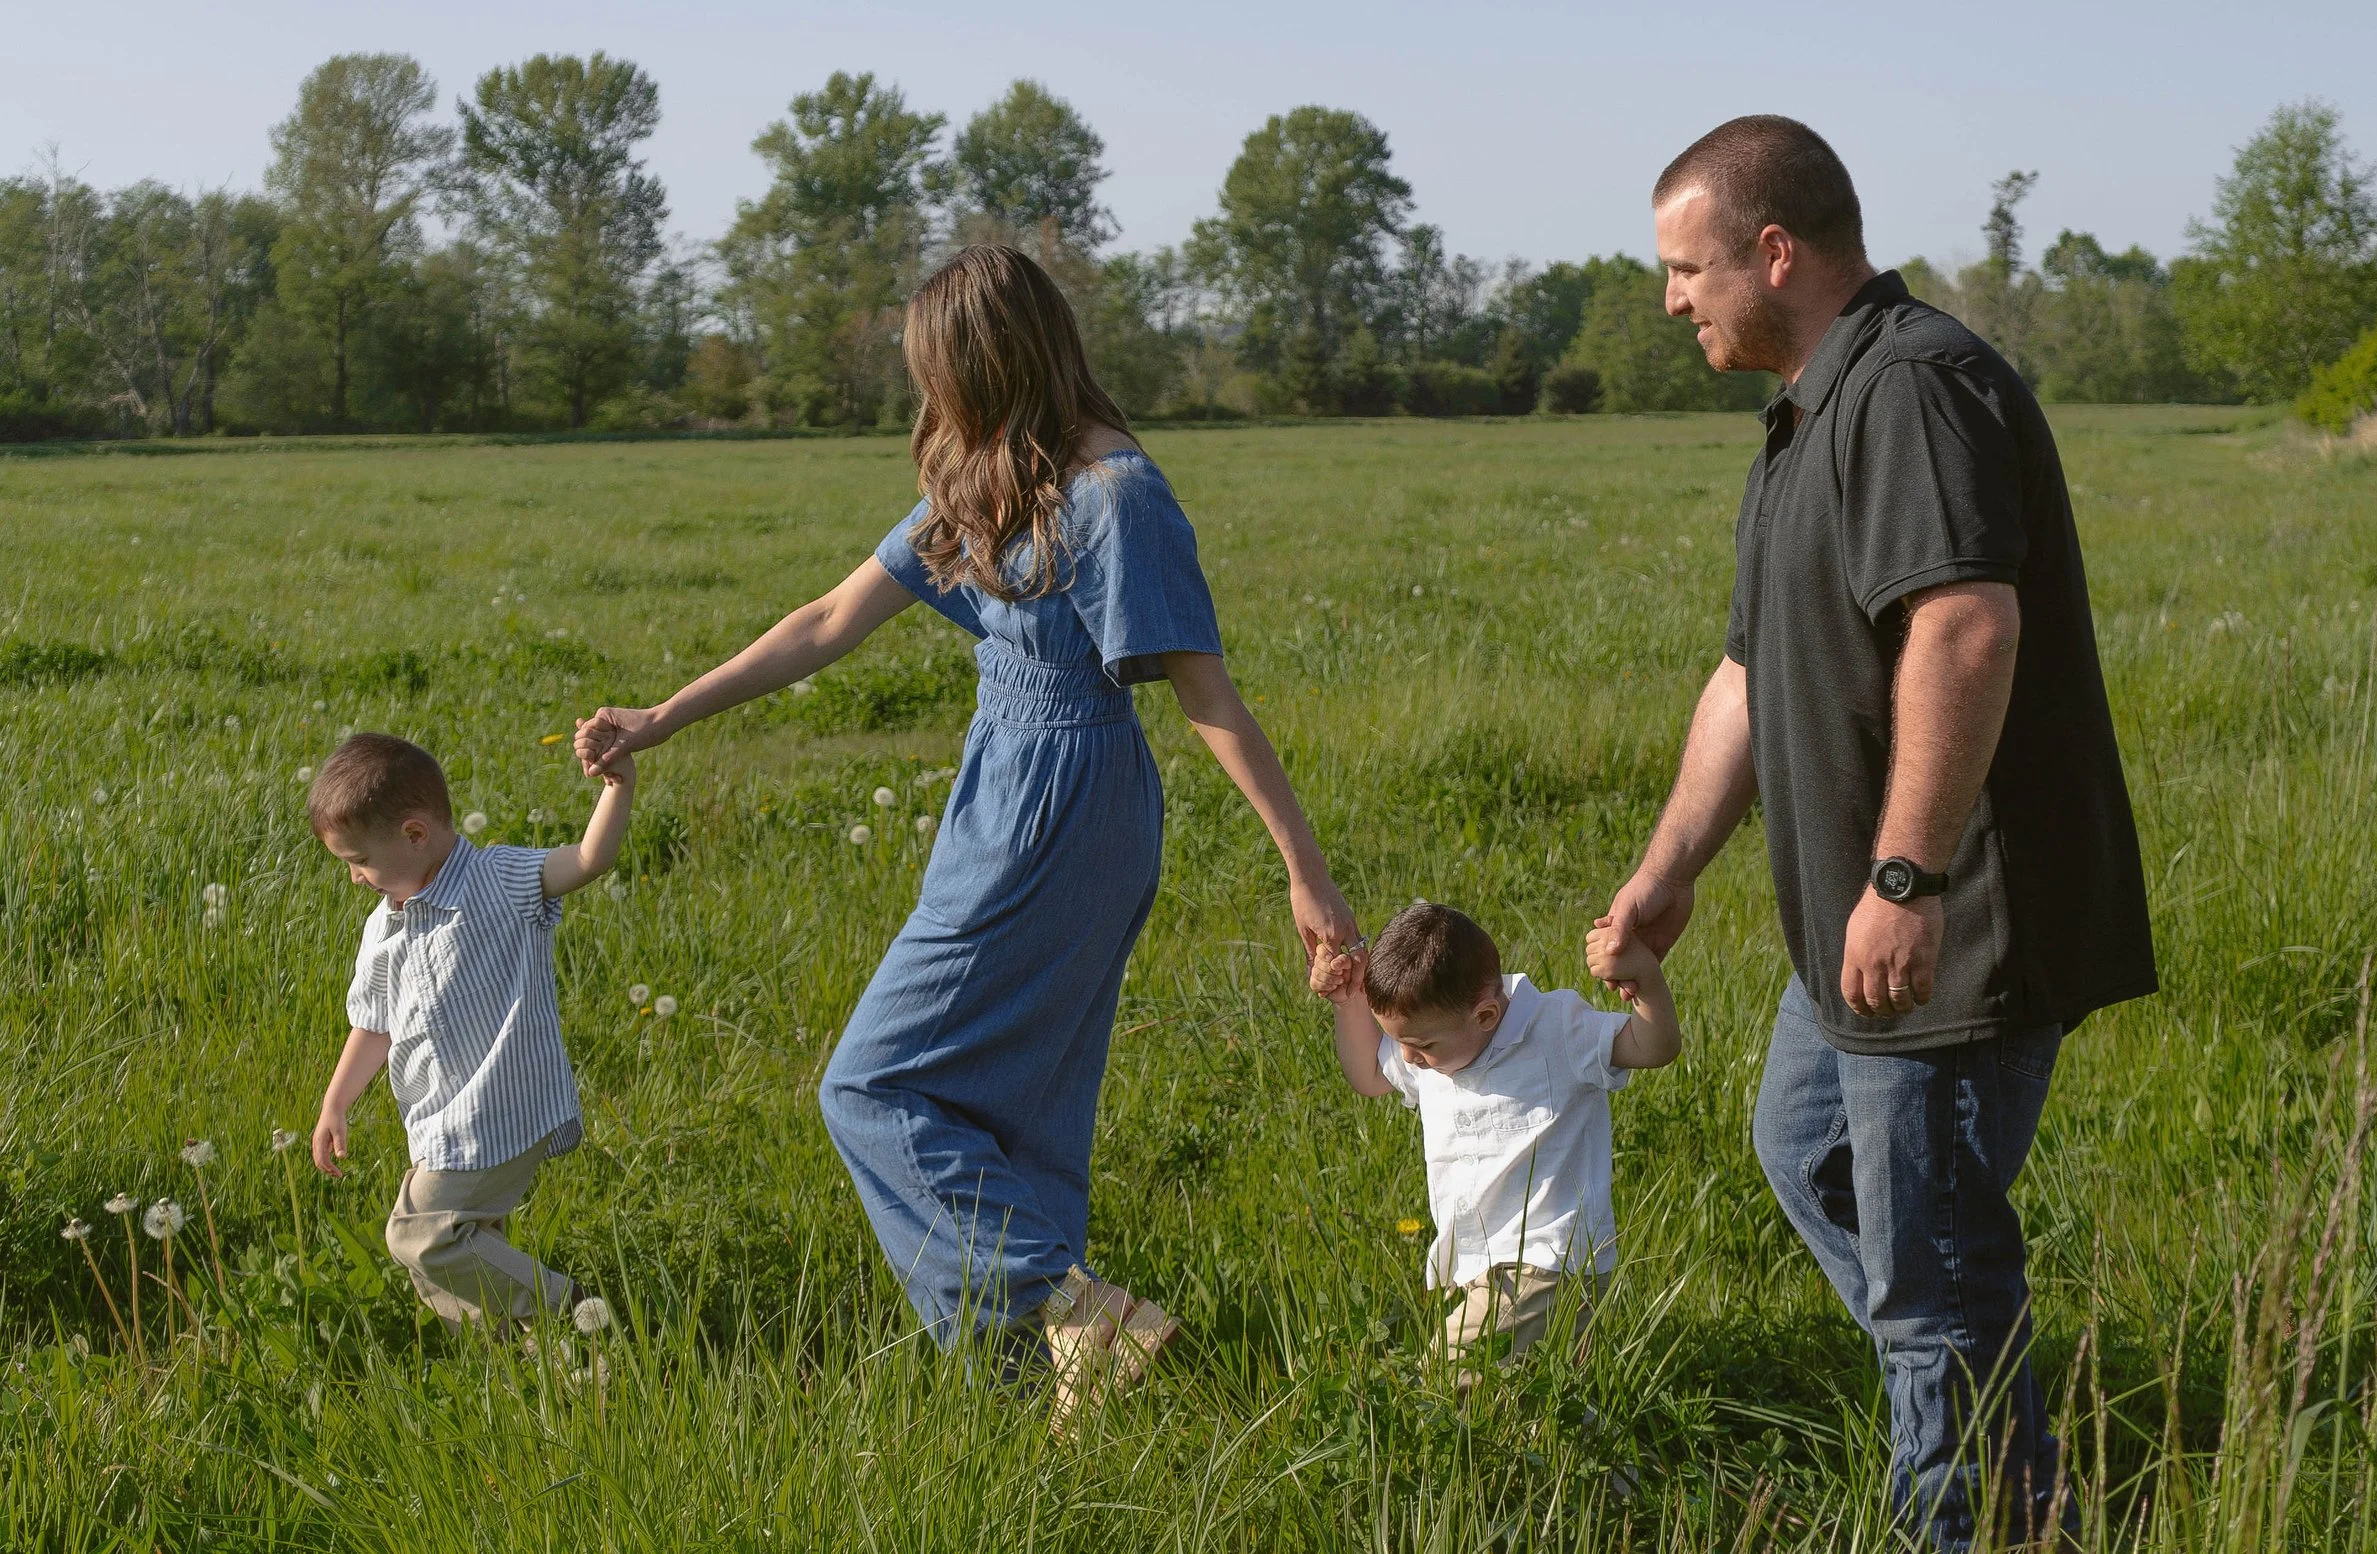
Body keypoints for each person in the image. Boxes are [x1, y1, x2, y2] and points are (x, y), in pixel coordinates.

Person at [572, 244, 1358, 1422]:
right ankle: (1036, 1387)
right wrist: (663, 716)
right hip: (1006, 785)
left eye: (934, 371)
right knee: (1010, 1106)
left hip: (1065, 801)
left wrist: (1306, 873)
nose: (924, 397)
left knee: (869, 1087)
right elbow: (830, 618)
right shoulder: (993, 478)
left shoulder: (1114, 495)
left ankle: (1071, 1306)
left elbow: (1207, 695)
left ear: (988, 361)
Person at [1600, 117, 2156, 1550]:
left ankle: (1976, 1511)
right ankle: (2006, 1447)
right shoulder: (1804, 413)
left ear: (1774, 250)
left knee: (1928, 1267)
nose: (1672, 298)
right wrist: (1667, 873)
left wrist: (1906, 874)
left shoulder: (1915, 385)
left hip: (1949, 919)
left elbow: (1968, 623)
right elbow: (1744, 676)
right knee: (1815, 1161)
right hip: (1853, 919)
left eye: (1686, 267)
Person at [307, 731, 634, 1331]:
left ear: (413, 833)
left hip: (503, 1112)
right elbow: (372, 1025)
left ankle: (569, 1309)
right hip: (439, 1122)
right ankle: (532, 1356)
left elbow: (588, 860)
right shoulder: (384, 930)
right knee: (463, 1251)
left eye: (359, 861)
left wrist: (617, 785)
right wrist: (336, 1102)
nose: (355, 878)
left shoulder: (499, 880)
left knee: (420, 1236)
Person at [1309, 902, 1680, 1387]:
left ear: (1485, 1014)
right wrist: (1347, 1001)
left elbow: (1653, 1047)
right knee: (1536, 1403)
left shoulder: (1555, 1029)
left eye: (1418, 1045)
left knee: (1447, 1383)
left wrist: (1645, 981)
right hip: (1483, 1268)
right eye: (1398, 1042)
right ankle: (1605, 1462)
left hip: (1551, 1261)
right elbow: (1368, 1075)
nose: (1408, 1059)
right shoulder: (1441, 1048)